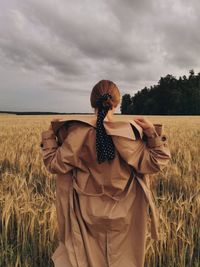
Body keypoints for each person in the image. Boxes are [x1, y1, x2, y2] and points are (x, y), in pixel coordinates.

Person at [40, 80, 171, 267]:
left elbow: (54, 164)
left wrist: (50, 135)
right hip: (125, 217)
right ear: (116, 104)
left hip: (86, 215)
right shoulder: (129, 136)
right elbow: (157, 160)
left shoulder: (77, 134)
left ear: (92, 103)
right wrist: (151, 132)